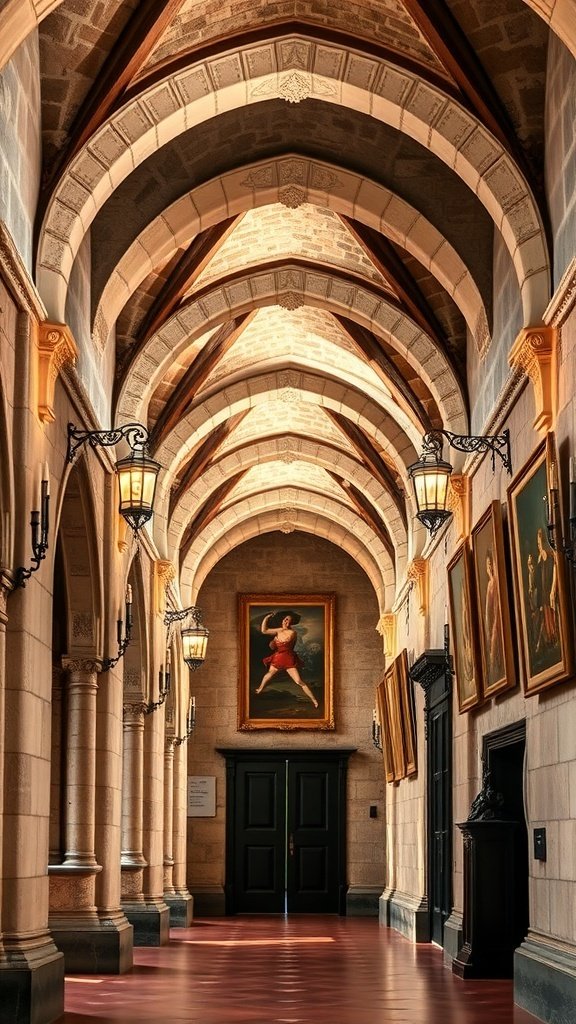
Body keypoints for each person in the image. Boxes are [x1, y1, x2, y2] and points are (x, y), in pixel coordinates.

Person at [256, 612, 319, 708]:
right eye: (285, 619)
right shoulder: (279, 630)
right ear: (282, 621)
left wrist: (276, 640)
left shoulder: (292, 633)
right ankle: (260, 688)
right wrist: (267, 617)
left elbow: (287, 643)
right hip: (278, 658)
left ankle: (314, 700)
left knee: (299, 681)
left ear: (291, 623)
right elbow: (264, 630)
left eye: (288, 620)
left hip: (288, 658)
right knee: (270, 673)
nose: (286, 621)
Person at [535, 527, 559, 653]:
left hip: (550, 593)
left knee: (552, 617)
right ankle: (549, 640)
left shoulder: (550, 557)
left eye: (540, 544)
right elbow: (538, 582)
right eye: (538, 544)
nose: (539, 547)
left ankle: (554, 638)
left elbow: (553, 575)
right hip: (544, 595)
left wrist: (552, 590)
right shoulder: (540, 561)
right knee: (546, 619)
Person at [484, 549, 503, 682]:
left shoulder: (495, 582)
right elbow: (487, 611)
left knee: (496, 649)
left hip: (498, 621)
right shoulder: (490, 584)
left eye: (491, 564)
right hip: (493, 623)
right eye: (488, 565)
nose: (490, 568)